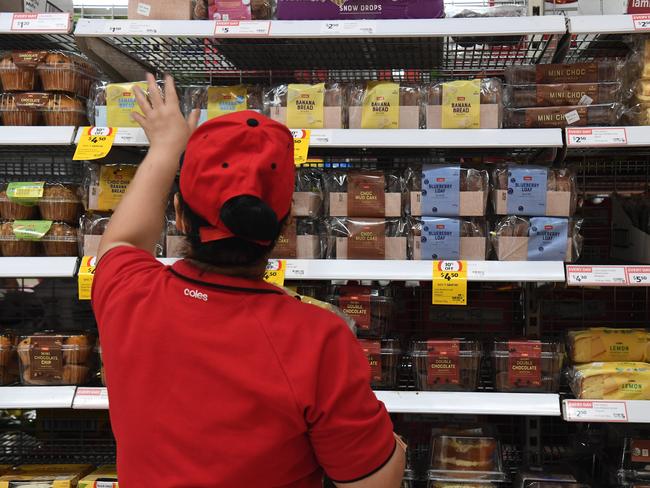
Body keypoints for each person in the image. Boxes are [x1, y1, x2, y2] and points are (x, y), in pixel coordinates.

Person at [92, 73, 406, 487]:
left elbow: (122, 239)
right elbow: (371, 483)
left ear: (180, 215)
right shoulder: (317, 338)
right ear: (287, 225)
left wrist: (167, 145)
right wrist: (395, 451)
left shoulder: (128, 292)